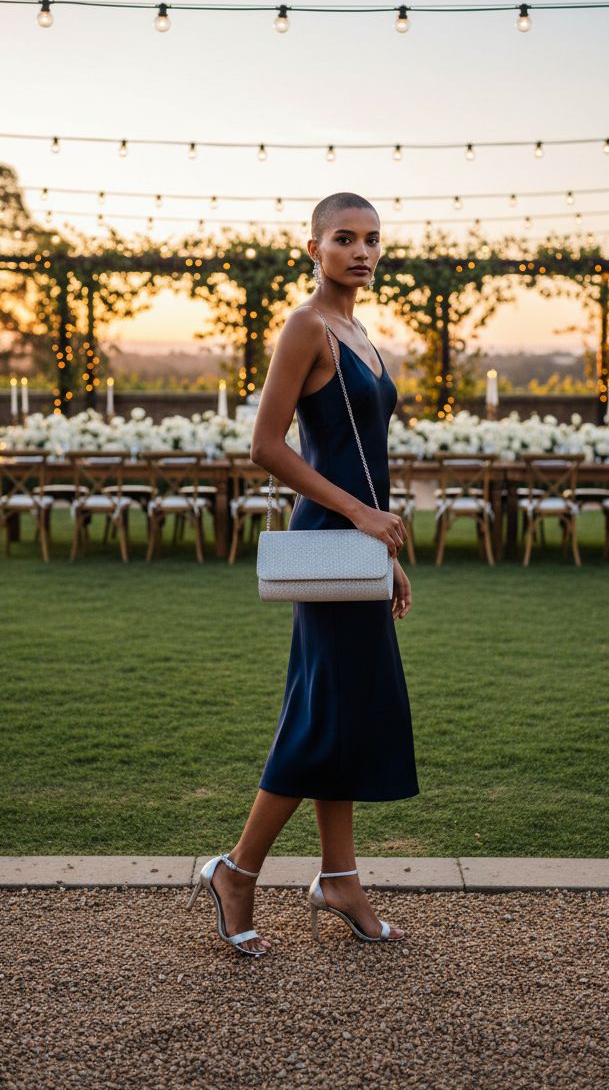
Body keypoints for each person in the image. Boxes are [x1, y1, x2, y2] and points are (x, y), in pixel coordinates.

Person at [187, 192, 419, 956]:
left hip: (359, 541)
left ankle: (340, 877)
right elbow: (266, 445)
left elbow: (365, 462)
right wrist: (359, 518)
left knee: (344, 710)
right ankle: (238, 869)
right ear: (313, 247)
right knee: (324, 712)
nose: (361, 251)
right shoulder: (307, 325)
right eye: (344, 238)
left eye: (372, 240)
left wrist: (383, 552)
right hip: (329, 536)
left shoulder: (364, 336)